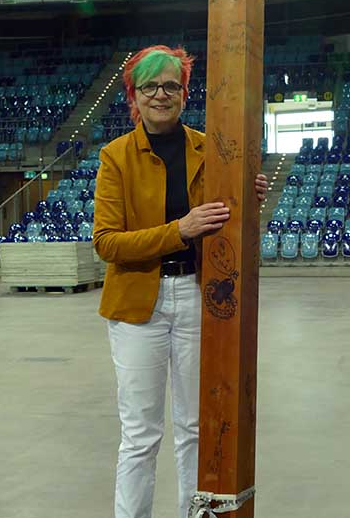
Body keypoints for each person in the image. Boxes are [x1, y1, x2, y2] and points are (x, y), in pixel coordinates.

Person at [92, 45, 267, 518]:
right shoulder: (115, 157)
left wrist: (248, 195)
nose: (161, 94)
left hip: (198, 296)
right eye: (149, 86)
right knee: (141, 433)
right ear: (134, 95)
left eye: (171, 85)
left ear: (185, 92)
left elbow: (230, 218)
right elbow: (107, 242)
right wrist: (179, 230)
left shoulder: (211, 147)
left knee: (195, 426)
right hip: (136, 307)